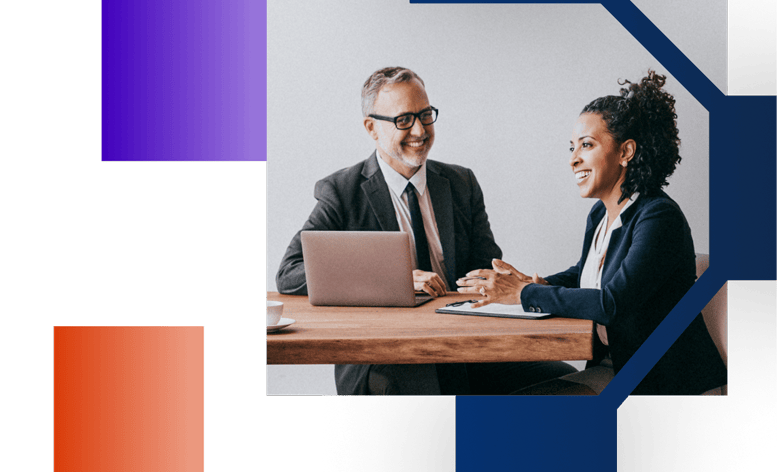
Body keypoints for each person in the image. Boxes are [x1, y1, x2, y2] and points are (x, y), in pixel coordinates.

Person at [277, 66, 575, 395]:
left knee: (564, 382)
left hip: (464, 346)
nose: (420, 130)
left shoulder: (462, 184)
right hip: (385, 355)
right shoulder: (342, 191)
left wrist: (496, 282)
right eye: (404, 119)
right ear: (372, 128)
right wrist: (394, 279)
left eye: (425, 114)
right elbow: (290, 274)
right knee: (426, 394)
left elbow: (487, 264)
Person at [457, 70, 728, 395]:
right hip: (614, 366)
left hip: (659, 382)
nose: (574, 159)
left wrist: (524, 294)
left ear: (626, 152)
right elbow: (585, 274)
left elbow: (611, 303)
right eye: (572, 147)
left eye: (586, 145)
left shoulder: (659, 217)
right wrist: (528, 283)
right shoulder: (601, 212)